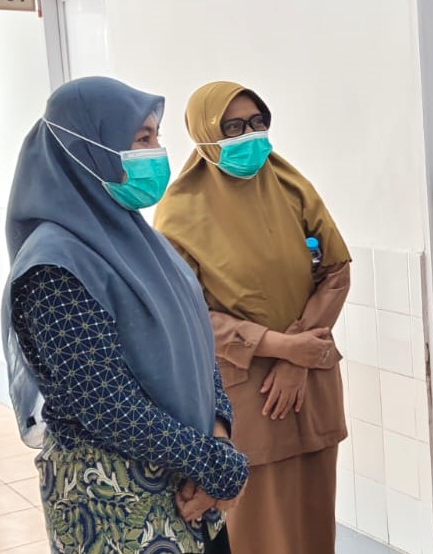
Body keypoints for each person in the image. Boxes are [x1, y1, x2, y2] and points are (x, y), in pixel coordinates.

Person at [2, 77, 249, 554]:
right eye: (141, 139)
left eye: (156, 136)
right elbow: (106, 404)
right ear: (89, 150)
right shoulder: (52, 267)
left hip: (191, 488)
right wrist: (215, 465)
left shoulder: (145, 243)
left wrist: (219, 439)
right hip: (115, 507)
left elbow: (199, 349)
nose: (156, 151)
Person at [155, 81, 351, 554]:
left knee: (314, 526)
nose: (250, 136)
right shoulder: (179, 214)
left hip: (309, 380)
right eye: (234, 127)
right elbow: (190, 315)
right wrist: (280, 347)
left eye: (258, 123)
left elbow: (336, 270)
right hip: (247, 394)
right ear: (205, 134)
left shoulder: (291, 186)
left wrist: (297, 358)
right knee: (259, 532)